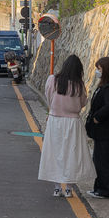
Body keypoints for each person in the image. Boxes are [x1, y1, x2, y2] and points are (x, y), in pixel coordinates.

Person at [38, 55, 95, 198]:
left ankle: (57, 188)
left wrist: (54, 109)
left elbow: (48, 96)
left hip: (55, 121)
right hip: (73, 123)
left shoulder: (53, 80)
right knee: (71, 155)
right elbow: (83, 102)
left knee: (55, 153)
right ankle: (69, 188)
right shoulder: (79, 85)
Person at [85, 57, 109, 199]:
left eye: (99, 69)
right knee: (99, 160)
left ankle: (106, 190)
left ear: (105, 70)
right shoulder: (106, 86)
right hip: (102, 132)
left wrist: (97, 117)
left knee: (104, 161)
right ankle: (99, 188)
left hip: (107, 131)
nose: (97, 72)